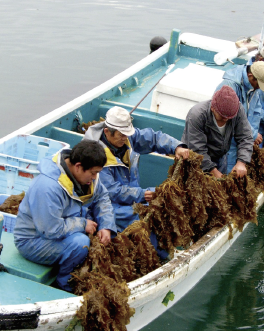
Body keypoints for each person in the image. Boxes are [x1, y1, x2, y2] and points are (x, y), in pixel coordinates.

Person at [14, 140, 116, 292]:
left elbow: (102, 198)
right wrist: (82, 224)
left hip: (62, 230)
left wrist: (106, 226)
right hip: (33, 240)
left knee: (102, 235)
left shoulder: (87, 174)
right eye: (93, 173)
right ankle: (65, 285)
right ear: (78, 167)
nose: (95, 178)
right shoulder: (48, 187)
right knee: (80, 243)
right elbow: (50, 230)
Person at [84, 106, 189, 234]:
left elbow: (154, 138)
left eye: (127, 134)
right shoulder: (94, 156)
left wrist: (176, 147)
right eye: (121, 134)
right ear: (107, 131)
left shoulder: (127, 138)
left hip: (134, 198)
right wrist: (142, 194)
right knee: (142, 216)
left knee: (162, 210)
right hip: (108, 206)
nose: (125, 138)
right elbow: (112, 191)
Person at [181, 85, 253, 178]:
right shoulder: (197, 115)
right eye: (222, 117)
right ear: (213, 108)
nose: (226, 119)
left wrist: (242, 162)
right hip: (194, 162)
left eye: (229, 117)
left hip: (220, 159)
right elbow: (197, 149)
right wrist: (213, 171)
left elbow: (245, 137)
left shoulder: (237, 110)